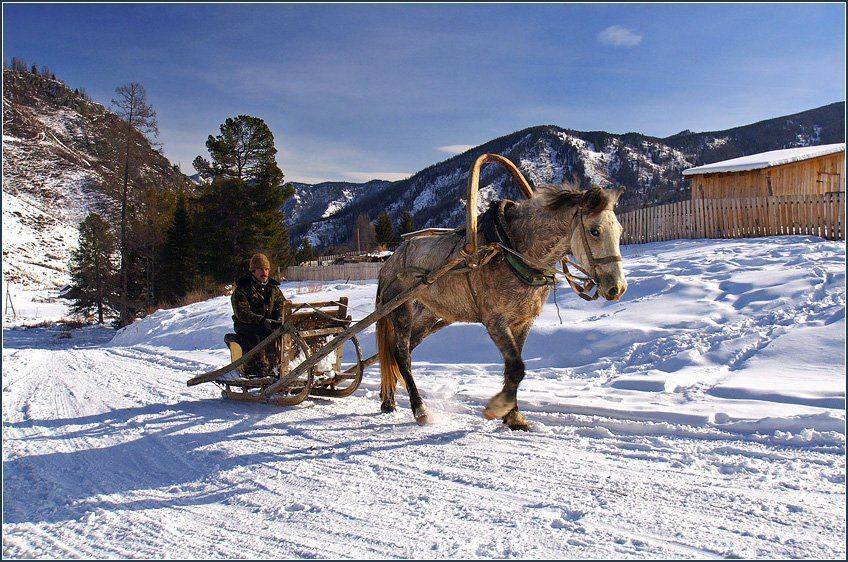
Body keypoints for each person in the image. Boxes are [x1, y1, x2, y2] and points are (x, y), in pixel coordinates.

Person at [231, 253, 287, 377]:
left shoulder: (273, 288)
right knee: (258, 335)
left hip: (268, 323)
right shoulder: (242, 289)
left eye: (266, 269)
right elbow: (243, 313)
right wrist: (262, 320)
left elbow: (281, 305)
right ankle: (258, 370)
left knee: (284, 334)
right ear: (253, 271)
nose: (264, 272)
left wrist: (279, 318)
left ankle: (281, 367)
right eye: (261, 269)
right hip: (247, 325)